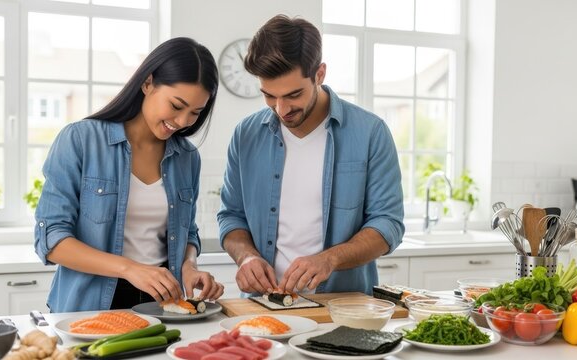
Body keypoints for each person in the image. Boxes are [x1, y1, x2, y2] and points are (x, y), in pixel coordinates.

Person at [217, 15, 404, 296]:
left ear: (320, 74)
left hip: (343, 308)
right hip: (263, 306)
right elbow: (232, 217)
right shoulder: (245, 135)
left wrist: (329, 259)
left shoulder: (370, 133)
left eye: (293, 94)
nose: (281, 109)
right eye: (269, 96)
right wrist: (246, 256)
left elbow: (388, 223)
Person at [34, 37, 224, 313]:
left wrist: (189, 267)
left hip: (163, 306)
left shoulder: (187, 157)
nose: (183, 122)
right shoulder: (81, 140)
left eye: (196, 112)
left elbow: (188, 233)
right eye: (176, 105)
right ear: (147, 83)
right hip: (87, 308)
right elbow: (51, 239)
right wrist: (130, 269)